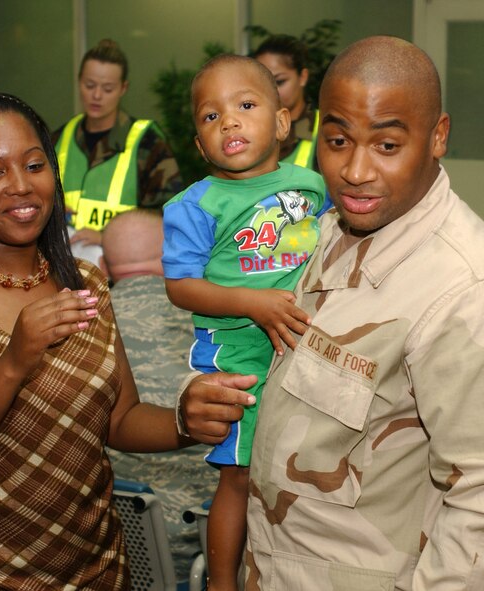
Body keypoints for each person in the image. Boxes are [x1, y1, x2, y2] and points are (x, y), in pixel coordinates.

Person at [179, 36, 484, 590]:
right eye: (337, 141)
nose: (355, 171)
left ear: (438, 137)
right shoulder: (324, 235)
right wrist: (211, 402)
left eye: (386, 146)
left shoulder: (475, 295)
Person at [0, 92, 193, 590]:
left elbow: (120, 420)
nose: (21, 187)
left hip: (92, 572)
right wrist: (13, 362)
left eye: (34, 164)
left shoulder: (86, 285)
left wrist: (187, 420)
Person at [162, 55, 327, 591]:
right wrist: (254, 304)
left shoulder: (310, 186)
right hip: (238, 353)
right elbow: (180, 286)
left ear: (282, 123)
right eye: (211, 117)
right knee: (239, 477)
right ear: (199, 145)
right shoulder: (195, 205)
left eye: (246, 106)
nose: (228, 122)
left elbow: (318, 252)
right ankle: (223, 582)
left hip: (303, 345)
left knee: (304, 469)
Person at [100, 209, 219, 578]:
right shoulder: (212, 317)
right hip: (209, 543)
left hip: (119, 546)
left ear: (103, 265)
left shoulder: (82, 330)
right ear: (172, 253)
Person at [53, 38, 185, 263]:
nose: (96, 96)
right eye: (89, 85)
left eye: (107, 89)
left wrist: (108, 237)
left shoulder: (147, 142)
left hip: (124, 269)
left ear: (123, 88)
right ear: (78, 82)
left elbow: (169, 214)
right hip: (64, 267)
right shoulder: (59, 138)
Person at [253, 35, 319, 170]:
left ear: (303, 77)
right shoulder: (246, 129)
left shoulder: (327, 129)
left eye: (279, 82)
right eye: (261, 83)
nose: (270, 92)